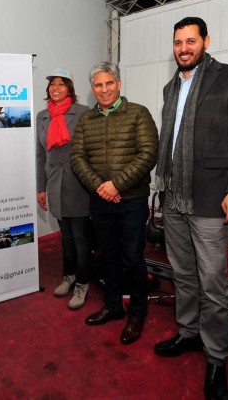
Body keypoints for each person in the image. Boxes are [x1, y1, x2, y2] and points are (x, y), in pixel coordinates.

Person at [152, 17, 228, 400]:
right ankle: (188, 332)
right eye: (178, 42)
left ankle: (217, 355)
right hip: (174, 197)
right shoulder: (169, 88)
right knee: (182, 273)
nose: (184, 47)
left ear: (205, 41)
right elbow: (171, 140)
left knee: (213, 282)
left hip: (213, 197)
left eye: (191, 40)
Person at [71, 62, 158, 344]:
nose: (104, 89)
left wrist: (116, 184)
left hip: (131, 200)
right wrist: (100, 187)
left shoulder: (138, 114)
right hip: (100, 200)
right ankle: (112, 306)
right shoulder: (86, 121)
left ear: (119, 84)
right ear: (92, 88)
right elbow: (77, 159)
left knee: (132, 258)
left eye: (109, 83)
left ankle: (137, 312)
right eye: (98, 85)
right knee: (108, 256)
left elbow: (148, 154)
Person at [35, 68, 91, 309]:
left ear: (70, 88)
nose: (55, 88)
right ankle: (69, 276)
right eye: (52, 84)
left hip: (78, 182)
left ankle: (83, 282)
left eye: (61, 83)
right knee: (65, 236)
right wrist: (41, 187)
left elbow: (91, 150)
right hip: (54, 183)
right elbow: (40, 155)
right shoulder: (42, 116)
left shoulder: (83, 113)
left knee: (80, 237)